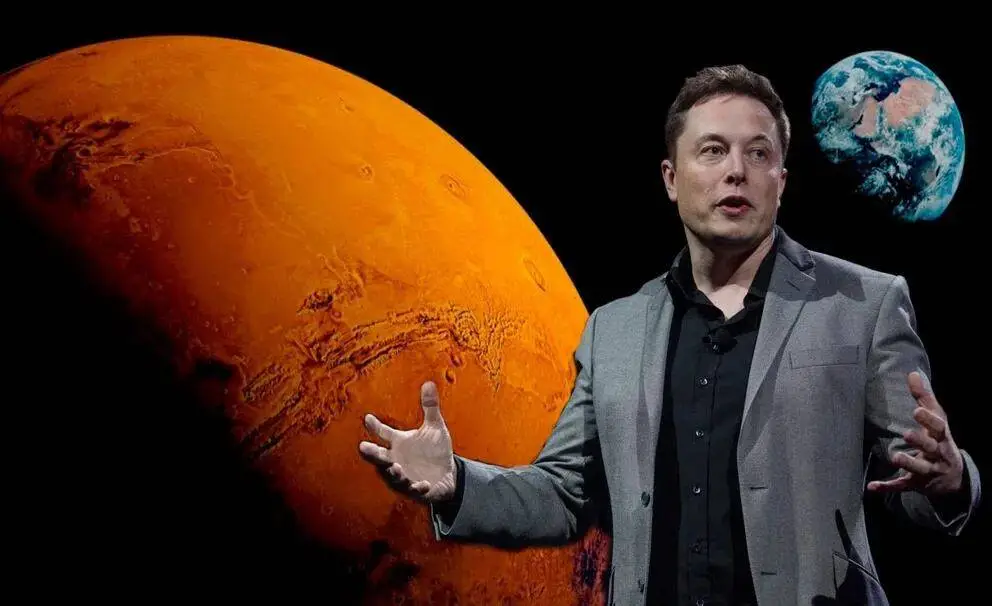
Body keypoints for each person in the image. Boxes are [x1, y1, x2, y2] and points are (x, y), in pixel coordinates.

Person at [357, 64, 982, 605]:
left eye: (758, 153)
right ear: (671, 178)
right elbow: (565, 495)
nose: (735, 171)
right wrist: (457, 483)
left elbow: (912, 484)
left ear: (781, 181)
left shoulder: (865, 305)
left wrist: (950, 480)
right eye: (712, 150)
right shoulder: (614, 330)